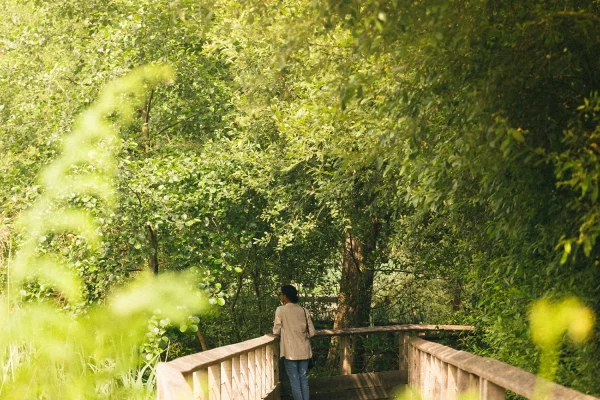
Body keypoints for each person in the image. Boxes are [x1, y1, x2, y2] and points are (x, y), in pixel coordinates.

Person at [273, 284, 315, 400]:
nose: (280, 297)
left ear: (285, 296)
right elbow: (312, 332)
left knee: (294, 381)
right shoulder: (303, 310)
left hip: (289, 351)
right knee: (304, 379)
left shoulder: (280, 310)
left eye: (281, 294)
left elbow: (276, 330)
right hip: (304, 351)